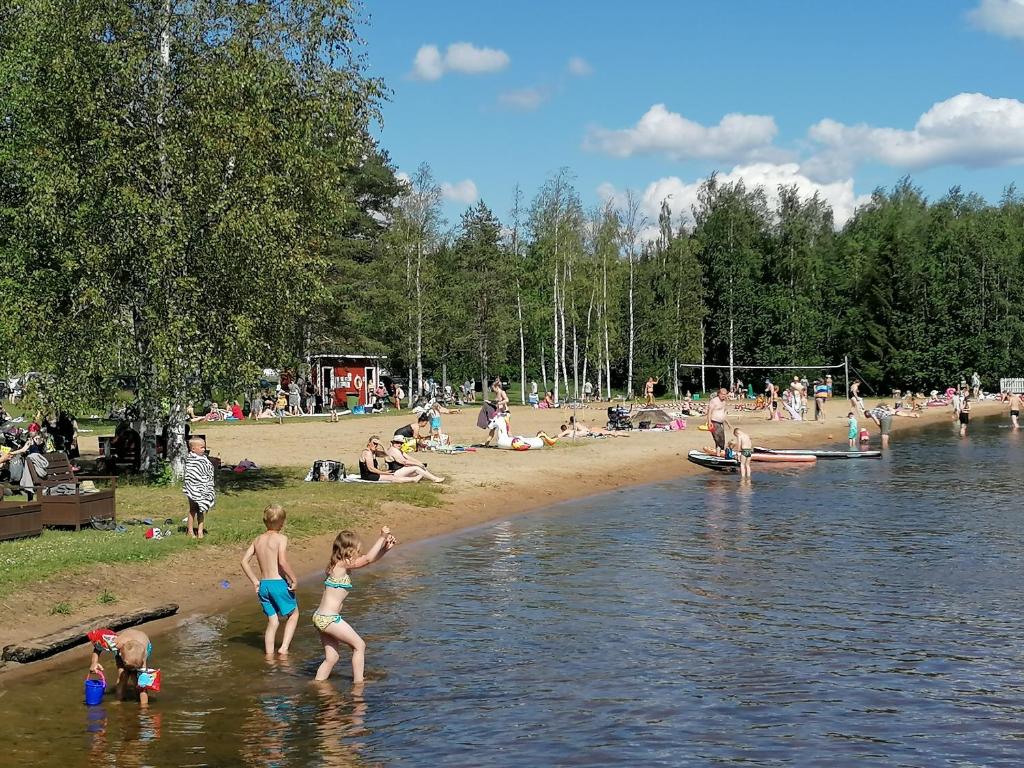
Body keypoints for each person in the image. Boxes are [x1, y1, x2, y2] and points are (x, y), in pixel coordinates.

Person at [313, 526, 398, 683]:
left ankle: (316, 684)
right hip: (330, 619)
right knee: (360, 645)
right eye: (356, 551)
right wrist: (381, 537)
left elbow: (368, 560)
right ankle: (358, 684)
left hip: (320, 617)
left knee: (332, 658)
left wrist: (385, 550)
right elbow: (366, 559)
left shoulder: (335, 565)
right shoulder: (341, 565)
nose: (358, 554)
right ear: (347, 551)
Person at [240, 504, 300, 656]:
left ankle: (269, 655)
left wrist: (255, 581)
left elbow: (244, 561)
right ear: (282, 522)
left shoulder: (258, 540)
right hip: (278, 583)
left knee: (273, 622)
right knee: (293, 614)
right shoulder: (281, 538)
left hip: (264, 585)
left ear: (264, 521)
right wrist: (294, 579)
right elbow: (282, 562)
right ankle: (284, 648)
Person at [87, 627, 155, 705]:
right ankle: (119, 699)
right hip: (124, 648)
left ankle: (138, 698)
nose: (130, 669)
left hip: (144, 645)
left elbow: (144, 686)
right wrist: (94, 662)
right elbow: (98, 646)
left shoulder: (142, 658)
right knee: (122, 675)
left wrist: (144, 707)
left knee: (138, 679)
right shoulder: (116, 642)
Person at [359, 436, 443, 483]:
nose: (376, 446)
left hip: (375, 474)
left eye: (377, 444)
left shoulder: (374, 452)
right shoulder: (367, 453)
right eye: (374, 443)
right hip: (368, 475)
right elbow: (371, 468)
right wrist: (384, 473)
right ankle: (418, 479)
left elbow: (386, 454)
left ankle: (420, 477)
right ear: (369, 443)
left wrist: (381, 444)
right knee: (392, 478)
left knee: (417, 468)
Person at [183, 437, 215, 538]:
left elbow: (208, 472)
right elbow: (190, 474)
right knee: (193, 509)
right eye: (201, 447)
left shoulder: (205, 459)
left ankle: (200, 530)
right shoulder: (191, 460)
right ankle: (190, 531)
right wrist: (194, 486)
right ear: (193, 449)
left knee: (202, 509)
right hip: (193, 488)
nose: (204, 449)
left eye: (204, 447)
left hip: (204, 488)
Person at [706, 388, 730, 456]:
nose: (723, 396)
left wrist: (727, 423)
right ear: (719, 394)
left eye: (725, 394)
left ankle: (719, 453)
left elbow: (724, 413)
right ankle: (719, 453)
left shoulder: (724, 402)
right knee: (717, 439)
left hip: (720, 423)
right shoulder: (714, 401)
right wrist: (709, 422)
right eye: (722, 394)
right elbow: (709, 412)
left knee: (722, 439)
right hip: (714, 422)